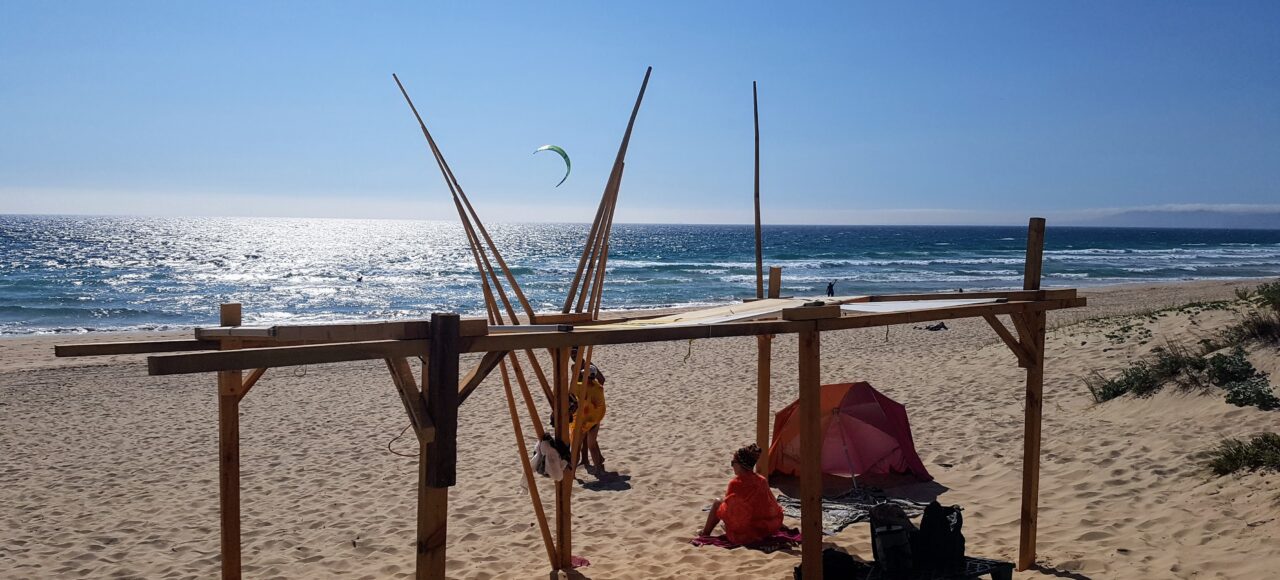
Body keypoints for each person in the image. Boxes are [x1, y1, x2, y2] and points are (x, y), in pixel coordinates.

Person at [700, 444, 783, 544]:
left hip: (743, 535)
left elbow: (728, 511)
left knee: (718, 502)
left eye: (733, 463)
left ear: (740, 465)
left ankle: (705, 533)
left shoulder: (735, 484)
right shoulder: (762, 481)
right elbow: (772, 506)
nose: (732, 466)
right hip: (761, 531)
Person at [568, 347, 607, 474]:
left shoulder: (589, 364)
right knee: (586, 439)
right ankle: (588, 460)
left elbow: (601, 379)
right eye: (571, 354)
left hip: (590, 403)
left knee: (587, 439)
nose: (573, 356)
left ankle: (595, 461)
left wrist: (593, 392)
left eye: (575, 353)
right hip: (581, 403)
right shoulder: (574, 367)